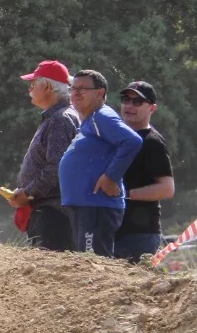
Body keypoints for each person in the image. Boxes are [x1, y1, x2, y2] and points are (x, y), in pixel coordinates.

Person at [58, 69, 142, 257]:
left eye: (83, 88)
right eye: (73, 88)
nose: (76, 93)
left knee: (93, 265)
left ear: (100, 93)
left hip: (96, 205)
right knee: (86, 264)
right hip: (85, 205)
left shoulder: (101, 116)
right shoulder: (90, 120)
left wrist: (110, 177)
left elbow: (132, 141)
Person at [10, 60, 81, 251]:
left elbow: (55, 167)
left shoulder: (60, 119)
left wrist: (28, 192)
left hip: (54, 215)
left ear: (47, 87)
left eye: (33, 84)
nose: (30, 89)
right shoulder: (59, 117)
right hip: (50, 211)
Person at [115, 80, 174, 261]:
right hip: (114, 230)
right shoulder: (117, 136)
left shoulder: (152, 142)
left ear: (152, 108)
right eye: (126, 99)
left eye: (137, 102)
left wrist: (124, 194)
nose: (130, 106)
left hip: (139, 235)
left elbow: (167, 188)